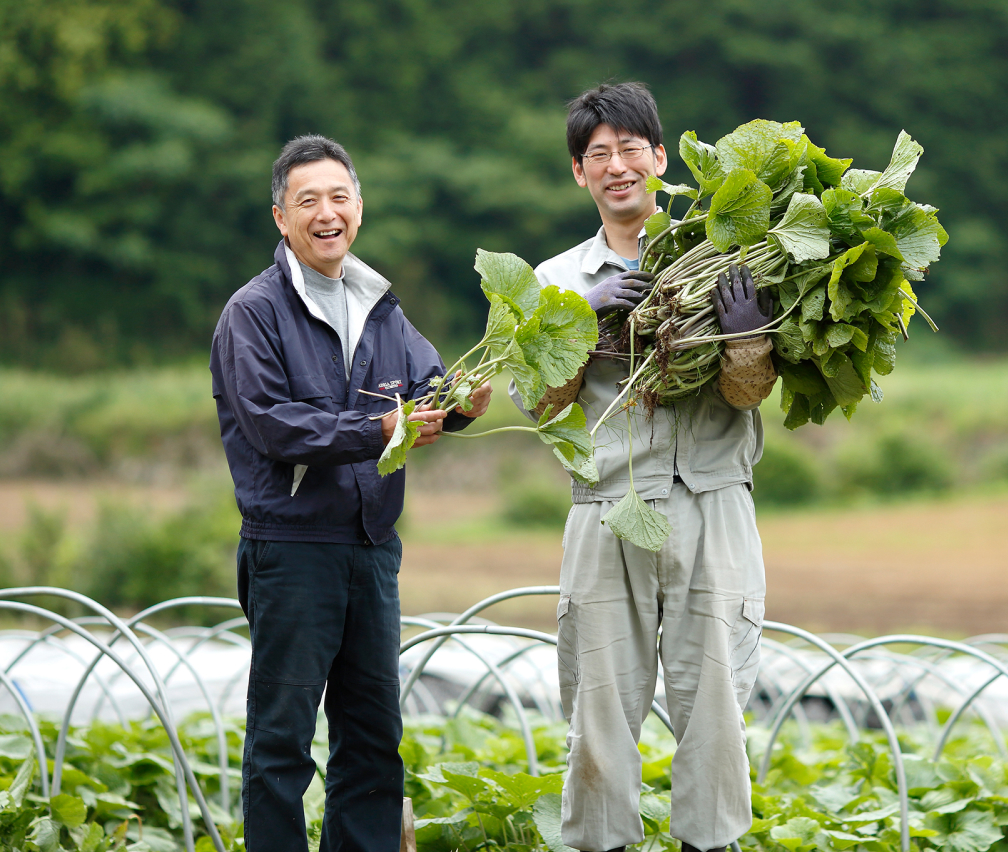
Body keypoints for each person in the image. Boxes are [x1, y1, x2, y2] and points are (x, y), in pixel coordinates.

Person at [509, 83, 777, 852]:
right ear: (578, 173)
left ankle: (711, 843)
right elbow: (541, 405)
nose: (617, 166)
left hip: (712, 498)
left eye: (632, 149)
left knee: (717, 707)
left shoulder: (726, 255)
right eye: (600, 155)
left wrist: (748, 339)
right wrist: (581, 325)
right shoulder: (555, 278)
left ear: (661, 158)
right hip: (606, 503)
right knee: (597, 705)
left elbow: (747, 393)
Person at [209, 135, 491, 852]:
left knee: (371, 739)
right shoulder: (255, 311)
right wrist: (379, 426)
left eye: (339, 198)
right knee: (283, 739)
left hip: (371, 548)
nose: (326, 213)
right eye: (308, 201)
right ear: (281, 216)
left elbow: (430, 386)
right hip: (292, 548)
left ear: (358, 208)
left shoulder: (380, 304)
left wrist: (462, 403)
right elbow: (273, 425)